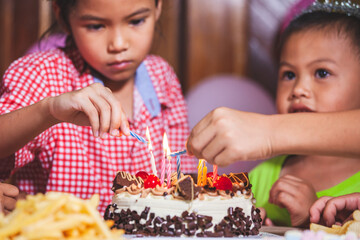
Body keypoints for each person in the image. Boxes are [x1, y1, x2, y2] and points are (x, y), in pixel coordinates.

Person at [0, 0, 197, 214]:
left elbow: (182, 175)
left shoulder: (162, 76)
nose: (118, 44)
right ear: (63, 17)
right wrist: (48, 110)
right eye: (96, 26)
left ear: (158, 8)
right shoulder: (40, 75)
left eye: (137, 21)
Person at [187, 0, 360, 227]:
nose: (299, 89)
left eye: (322, 72)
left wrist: (314, 216)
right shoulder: (262, 175)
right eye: (289, 75)